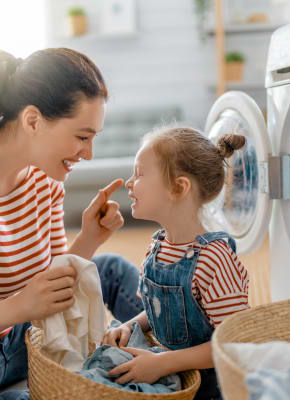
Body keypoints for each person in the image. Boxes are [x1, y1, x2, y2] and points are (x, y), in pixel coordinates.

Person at [0, 48, 143, 398]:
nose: (89, 154)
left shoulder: (46, 182)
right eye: (82, 137)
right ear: (33, 121)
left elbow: (54, 278)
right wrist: (18, 307)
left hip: (34, 333)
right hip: (7, 345)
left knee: (108, 268)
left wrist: (90, 238)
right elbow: (35, 299)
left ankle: (161, 352)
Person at [102, 126, 250, 399]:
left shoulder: (214, 259)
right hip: (170, 374)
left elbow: (233, 342)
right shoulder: (157, 247)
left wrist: (162, 363)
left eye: (140, 173)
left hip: (213, 387)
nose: (129, 182)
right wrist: (129, 326)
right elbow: (159, 310)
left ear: (179, 187)